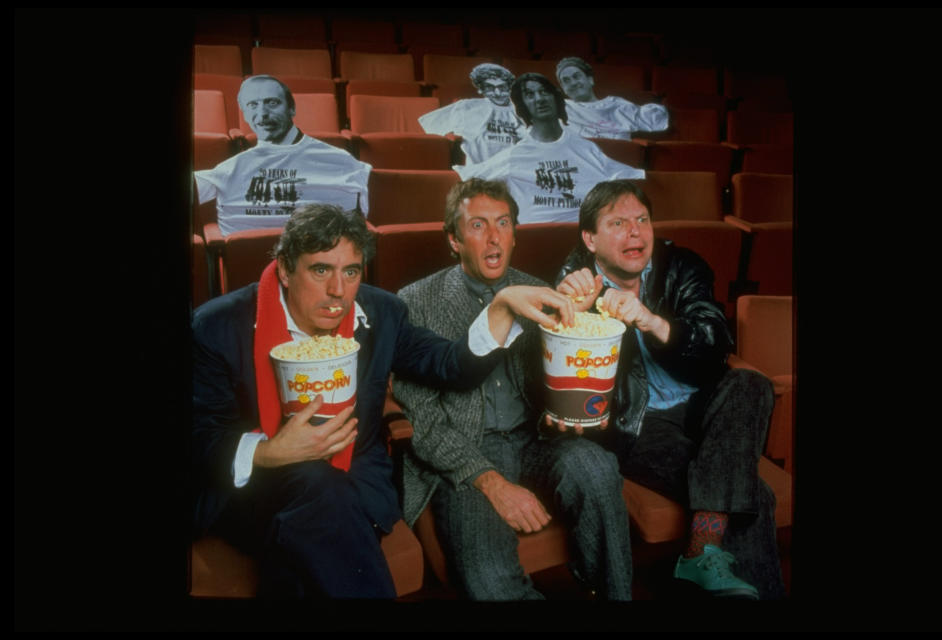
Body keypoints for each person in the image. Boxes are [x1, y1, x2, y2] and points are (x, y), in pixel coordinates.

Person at [192, 203, 576, 599]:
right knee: (317, 490)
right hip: (253, 491)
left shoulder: (383, 313)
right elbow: (200, 436)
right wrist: (270, 452)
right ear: (286, 270)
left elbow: (451, 366)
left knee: (318, 515)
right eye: (320, 269)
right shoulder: (217, 326)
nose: (338, 291)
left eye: (351, 272)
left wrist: (502, 307)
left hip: (353, 483)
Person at [391, 179, 633, 600]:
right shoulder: (415, 301)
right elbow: (423, 422)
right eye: (477, 225)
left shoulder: (539, 288)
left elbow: (569, 375)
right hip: (467, 455)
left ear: (515, 234)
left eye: (503, 223)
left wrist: (569, 409)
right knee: (490, 584)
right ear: (454, 239)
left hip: (536, 440)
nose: (493, 236)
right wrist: (491, 482)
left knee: (596, 468)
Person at [553, 180, 785, 600]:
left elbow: (715, 344)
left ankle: (699, 553)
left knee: (750, 381)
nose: (636, 233)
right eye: (618, 223)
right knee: (756, 495)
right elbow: (568, 386)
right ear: (590, 238)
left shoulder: (683, 266)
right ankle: (704, 563)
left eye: (642, 220)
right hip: (636, 422)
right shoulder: (574, 285)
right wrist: (578, 319)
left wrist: (652, 321)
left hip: (701, 404)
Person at [194, 75, 372, 237]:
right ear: (246, 115)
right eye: (252, 105)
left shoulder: (341, 161)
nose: (262, 114)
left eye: (272, 103)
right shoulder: (230, 168)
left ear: (292, 109)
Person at [454, 73, 644, 224]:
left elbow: (631, 177)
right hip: (534, 242)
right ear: (523, 106)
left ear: (556, 98)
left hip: (585, 242)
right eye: (530, 95)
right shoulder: (513, 156)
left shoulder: (587, 149)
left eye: (545, 92)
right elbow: (466, 179)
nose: (539, 99)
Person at [418, 63, 525, 165]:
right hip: (480, 178)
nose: (497, 93)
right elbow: (430, 128)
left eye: (502, 87)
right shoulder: (466, 107)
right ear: (481, 89)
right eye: (490, 88)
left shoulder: (528, 110)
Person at [555, 57, 670, 140]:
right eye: (566, 81)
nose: (573, 83)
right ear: (563, 89)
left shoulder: (617, 105)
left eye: (576, 76)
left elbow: (655, 120)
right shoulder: (559, 108)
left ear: (590, 80)